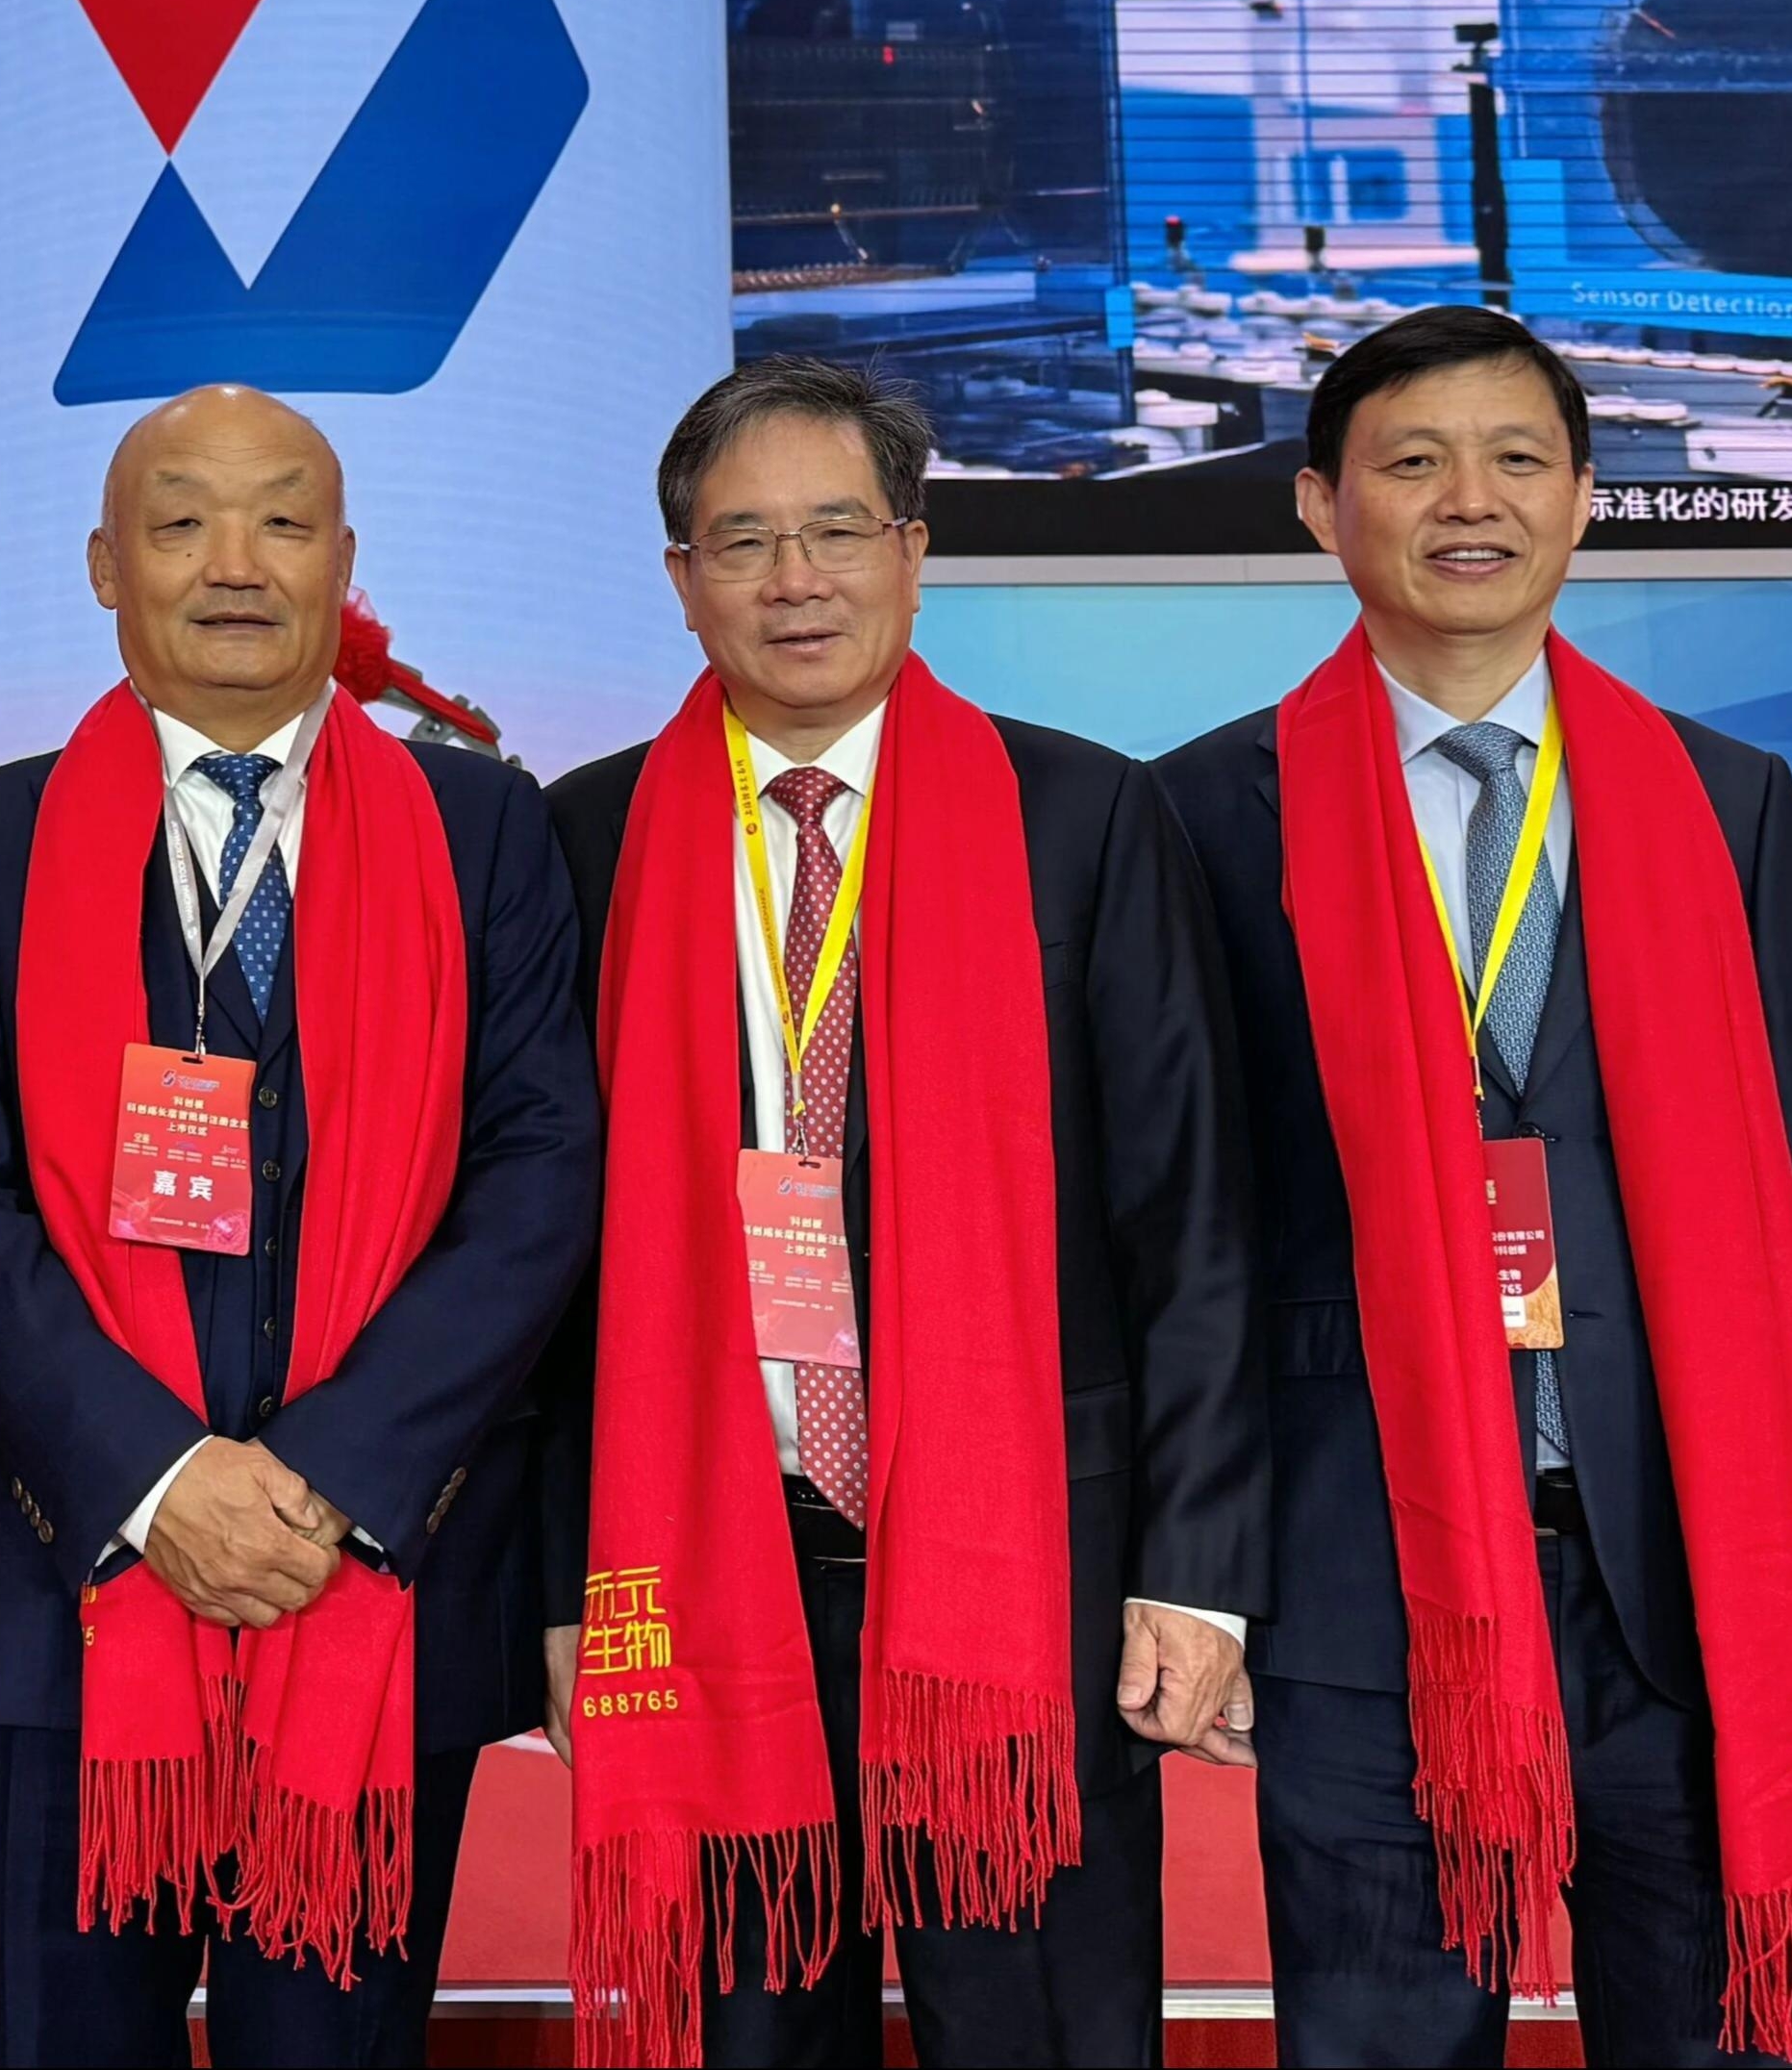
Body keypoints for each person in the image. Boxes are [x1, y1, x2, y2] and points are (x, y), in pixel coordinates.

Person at [1155, 303, 1792, 2069]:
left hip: (1697, 1564)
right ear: (1318, 505)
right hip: (1358, 1577)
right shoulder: (1201, 814)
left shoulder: (1724, 801)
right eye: (1412, 461)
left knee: (1727, 2034)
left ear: (1583, 497)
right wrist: (1193, 1572)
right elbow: (1179, 1232)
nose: (1470, 500)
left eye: (1516, 459)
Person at [541, 353, 1264, 2069]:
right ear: (681, 580)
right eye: (743, 542)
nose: (794, 579)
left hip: (1032, 1572)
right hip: (705, 1554)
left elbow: (1191, 1219)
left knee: (1035, 2032)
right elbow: (546, 1263)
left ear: (913, 552)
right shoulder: (581, 840)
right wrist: (559, 1587)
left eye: (836, 531)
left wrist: (1195, 1574)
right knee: (743, 2032)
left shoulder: (1079, 815)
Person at [0, 384, 597, 2069]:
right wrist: (155, 1479)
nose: (234, 562)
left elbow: (539, 1166)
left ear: (342, 563)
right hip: (70, 1570)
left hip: (374, 1566)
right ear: (103, 566)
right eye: (181, 521)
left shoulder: (481, 824)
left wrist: (330, 1478)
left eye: (283, 520)